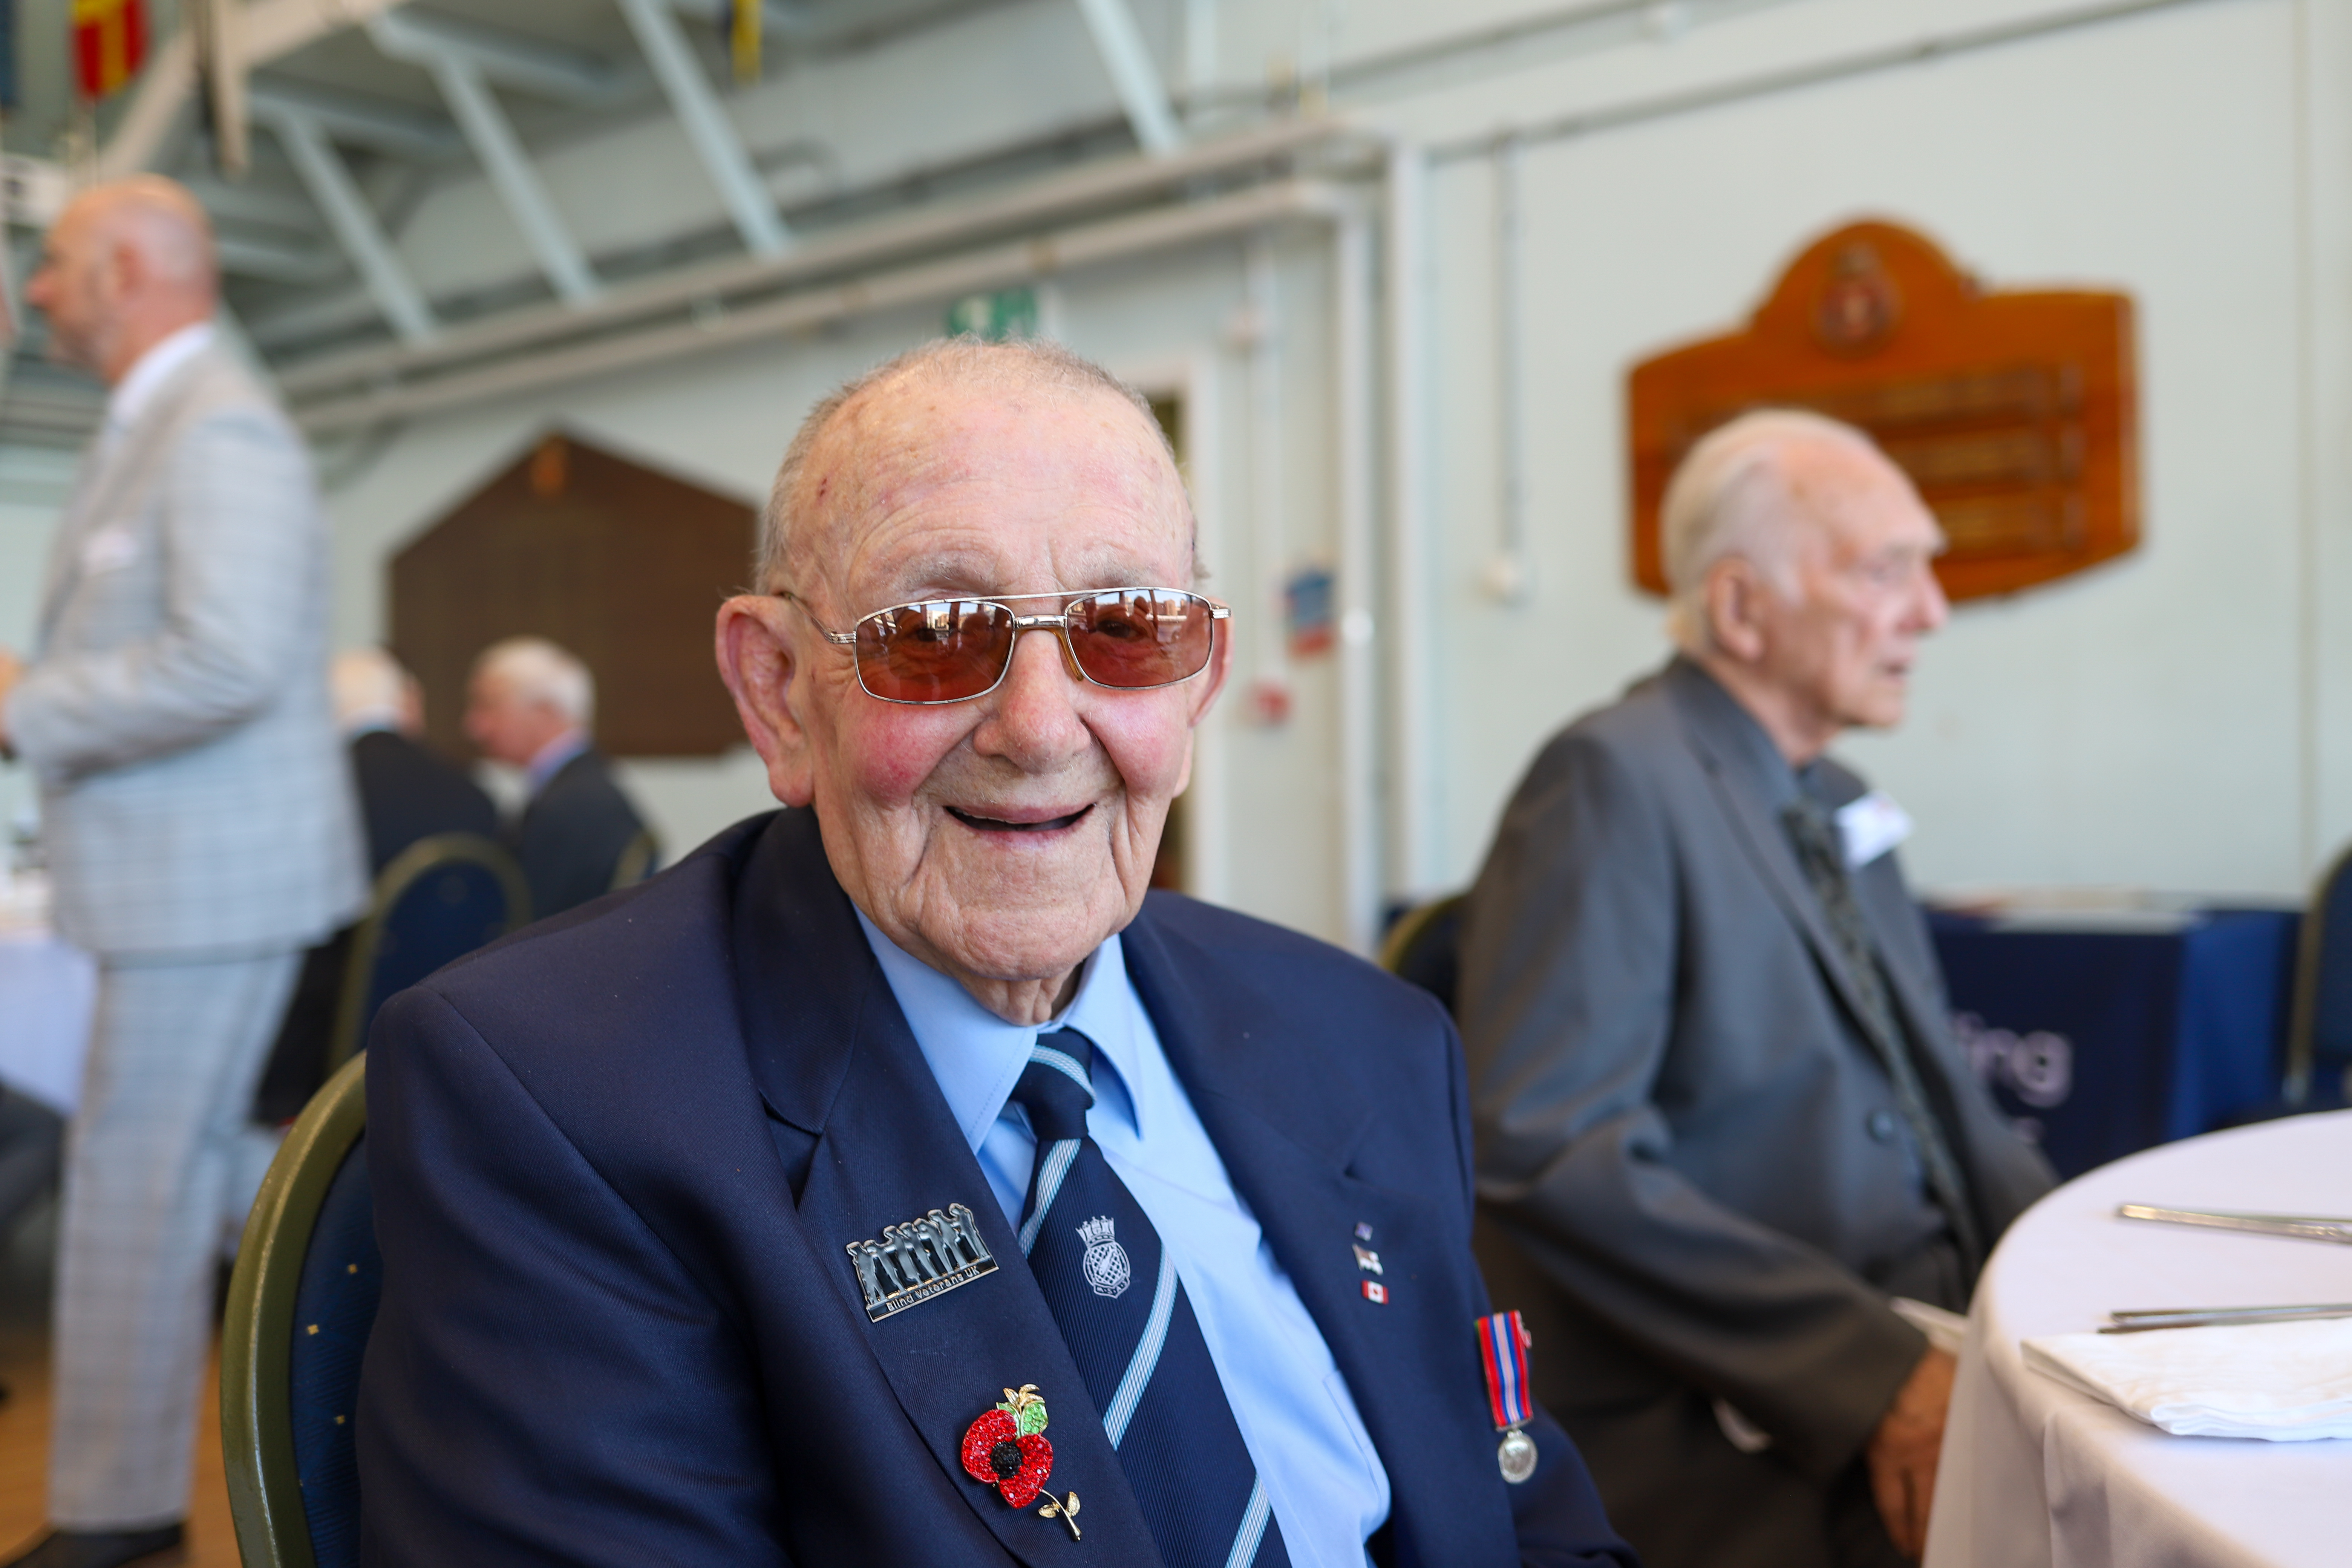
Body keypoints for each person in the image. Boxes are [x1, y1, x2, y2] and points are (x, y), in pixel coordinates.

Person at [357, 338, 1635, 1567]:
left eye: (1124, 626)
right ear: (778, 691)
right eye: (936, 633)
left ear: (1196, 687)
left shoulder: (1366, 1038)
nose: (1038, 726)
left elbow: (1528, 1523)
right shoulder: (559, 1103)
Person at [1456, 410, 2053, 1568]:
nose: (1931, 610)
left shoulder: (1835, 789)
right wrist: (1874, 1378)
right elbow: (1547, 1145)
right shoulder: (1609, 776)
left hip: (1922, 1326)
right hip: (1740, 1400)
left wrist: (2094, 1283)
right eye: (1887, 570)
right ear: (1739, 608)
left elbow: (1946, 1112)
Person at [0, 177, 366, 1568]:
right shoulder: (157, 425)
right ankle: (448, 1203)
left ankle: (116, 1510)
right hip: (174, 881)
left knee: (136, 1181)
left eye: (57, 264)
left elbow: (228, 657)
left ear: (136, 270)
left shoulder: (218, 429)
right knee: (167, 1171)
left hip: (208, 885)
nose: (37, 292)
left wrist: (27, 704)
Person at [250, 647, 500, 1126]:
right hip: (451, 1039)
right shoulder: (477, 795)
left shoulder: (310, 795)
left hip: (322, 1059)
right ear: (402, 704)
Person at [462, 635, 651, 917]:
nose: (475, 727)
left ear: (545, 711)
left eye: (489, 706)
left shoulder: (570, 806)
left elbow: (527, 926)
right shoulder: (581, 790)